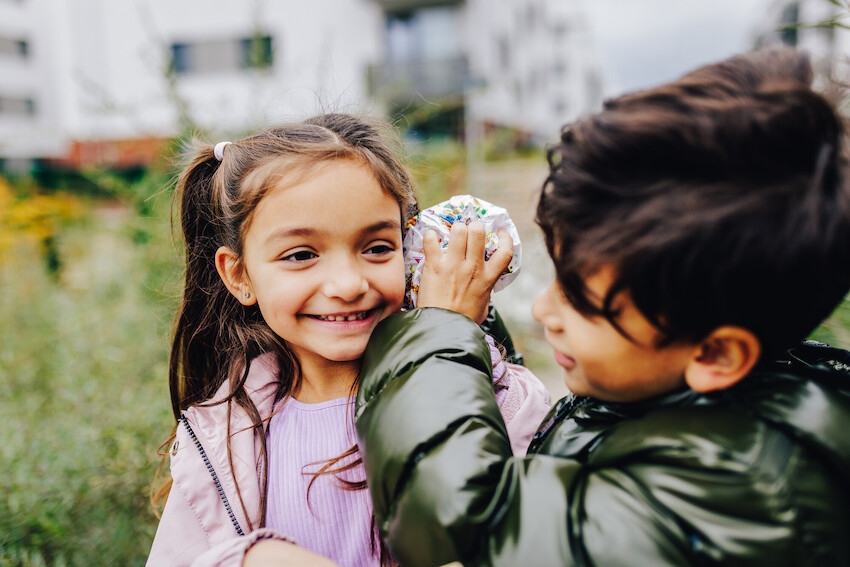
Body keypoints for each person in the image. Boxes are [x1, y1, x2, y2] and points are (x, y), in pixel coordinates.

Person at [354, 47, 850, 566]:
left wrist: (441, 329)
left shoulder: (748, 494)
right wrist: (467, 324)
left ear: (717, 355)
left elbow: (460, 528)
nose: (544, 311)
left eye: (579, 299)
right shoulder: (678, 393)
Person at [146, 113, 550, 567]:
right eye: (301, 255)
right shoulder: (225, 432)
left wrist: (443, 340)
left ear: (412, 249)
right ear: (239, 276)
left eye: (377, 247)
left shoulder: (498, 400)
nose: (347, 283)